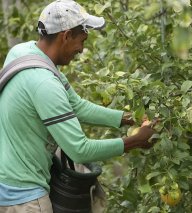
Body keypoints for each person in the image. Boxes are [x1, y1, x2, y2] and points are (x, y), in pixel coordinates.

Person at [0, 0, 156, 212]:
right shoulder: (45, 84)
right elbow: (80, 150)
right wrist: (134, 141)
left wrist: (129, 118)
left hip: (7, 181)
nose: (82, 49)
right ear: (65, 36)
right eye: (82, 40)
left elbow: (78, 106)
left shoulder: (24, 53)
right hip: (25, 198)